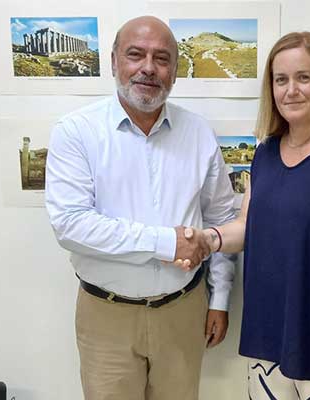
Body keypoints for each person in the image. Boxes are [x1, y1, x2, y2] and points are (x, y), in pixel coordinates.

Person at [178, 31, 310, 399]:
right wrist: (209, 239)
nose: (291, 90)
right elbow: (248, 227)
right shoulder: (266, 153)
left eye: (303, 77)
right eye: (281, 80)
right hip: (269, 336)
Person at [45, 16, 235, 400]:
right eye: (136, 54)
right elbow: (71, 225)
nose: (149, 67)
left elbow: (220, 218)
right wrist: (167, 243)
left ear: (175, 71)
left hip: (184, 311)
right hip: (107, 318)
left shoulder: (198, 132)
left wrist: (219, 299)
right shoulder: (76, 131)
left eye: (162, 58)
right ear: (114, 61)